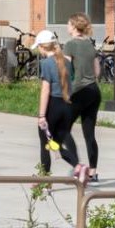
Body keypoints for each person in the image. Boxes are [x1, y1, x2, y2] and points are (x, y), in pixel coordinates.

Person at [33, 29, 88, 185]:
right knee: (56, 142)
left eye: (38, 47)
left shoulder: (46, 64)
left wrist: (42, 115)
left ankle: (44, 178)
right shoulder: (67, 62)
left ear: (43, 47)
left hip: (53, 106)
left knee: (46, 144)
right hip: (67, 106)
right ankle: (78, 165)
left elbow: (45, 90)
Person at [64, 13, 102, 182]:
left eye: (68, 24)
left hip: (79, 92)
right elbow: (97, 71)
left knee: (63, 128)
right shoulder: (89, 44)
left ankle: (78, 166)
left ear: (73, 26)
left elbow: (65, 69)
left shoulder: (70, 45)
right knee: (89, 134)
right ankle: (93, 172)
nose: (67, 27)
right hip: (94, 91)